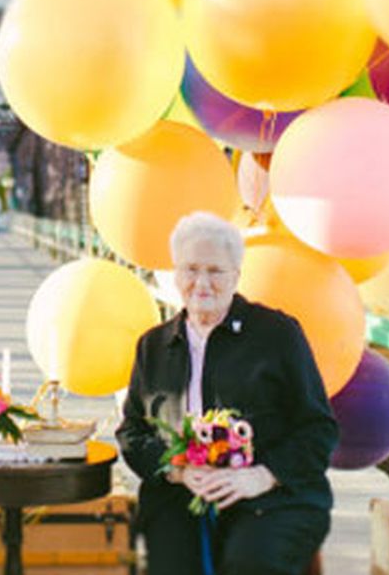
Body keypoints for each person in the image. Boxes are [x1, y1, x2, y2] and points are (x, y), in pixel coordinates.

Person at [116, 212, 337, 575]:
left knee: (249, 563)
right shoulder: (153, 346)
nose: (201, 283)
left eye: (215, 271)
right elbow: (132, 432)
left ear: (237, 274)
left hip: (271, 496)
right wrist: (177, 471)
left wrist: (263, 476)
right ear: (175, 273)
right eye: (190, 269)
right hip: (180, 494)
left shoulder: (278, 334)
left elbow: (319, 429)